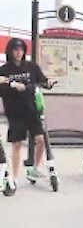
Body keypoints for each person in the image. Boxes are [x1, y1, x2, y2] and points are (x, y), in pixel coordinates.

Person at [0, 38, 54, 186]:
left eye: (21, 50)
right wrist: (13, 86)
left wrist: (49, 83)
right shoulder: (4, 70)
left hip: (31, 109)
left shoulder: (31, 67)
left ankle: (34, 168)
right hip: (14, 112)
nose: (19, 53)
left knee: (41, 139)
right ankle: (15, 177)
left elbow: (42, 81)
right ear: (10, 51)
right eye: (16, 50)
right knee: (17, 144)